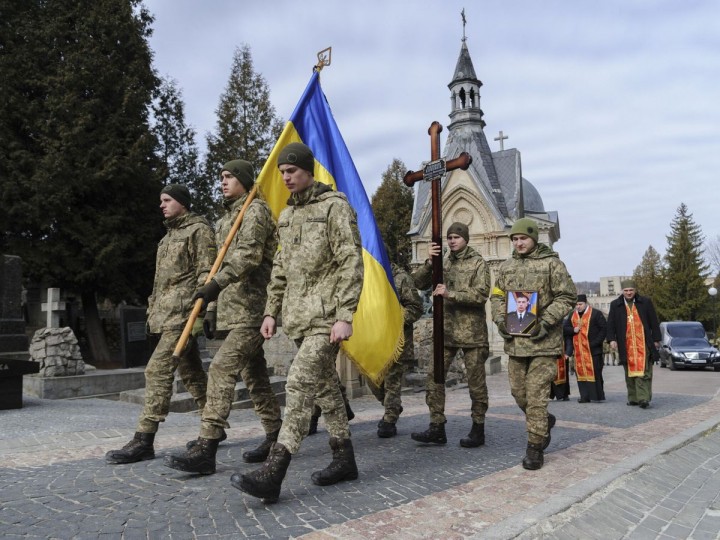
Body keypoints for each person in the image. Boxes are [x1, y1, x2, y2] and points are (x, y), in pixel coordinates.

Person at [231, 142, 364, 503]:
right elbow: (280, 270)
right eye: (282, 172)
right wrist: (271, 311)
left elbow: (350, 262)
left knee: (298, 382)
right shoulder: (286, 216)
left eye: (291, 171)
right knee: (326, 390)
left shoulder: (334, 207)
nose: (286, 177)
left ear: (308, 170)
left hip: (326, 318)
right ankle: (344, 458)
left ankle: (274, 471)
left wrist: (344, 315)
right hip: (297, 318)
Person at [163, 160, 283, 475]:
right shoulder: (225, 219)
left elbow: (249, 256)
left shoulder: (255, 211)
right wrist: (212, 311)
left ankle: (208, 445)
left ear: (245, 180)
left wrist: (214, 287)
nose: (223, 182)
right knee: (254, 376)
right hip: (234, 310)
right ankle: (274, 435)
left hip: (255, 309)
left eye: (229, 177)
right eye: (221, 177)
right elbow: (216, 265)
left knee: (220, 369)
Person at [105, 184, 216, 465]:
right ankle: (212, 427)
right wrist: (151, 313)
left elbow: (207, 273)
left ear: (182, 202)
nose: (161, 205)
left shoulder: (198, 231)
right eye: (161, 200)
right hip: (163, 316)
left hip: (183, 315)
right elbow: (161, 283)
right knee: (192, 373)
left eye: (167, 200)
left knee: (156, 371)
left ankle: (144, 439)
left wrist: (203, 314)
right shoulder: (167, 238)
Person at [490, 217, 575, 470]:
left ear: (533, 238)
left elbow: (567, 296)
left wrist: (546, 322)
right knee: (519, 394)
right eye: (514, 239)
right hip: (516, 345)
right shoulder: (506, 267)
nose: (518, 243)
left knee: (536, 396)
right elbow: (496, 297)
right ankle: (543, 421)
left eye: (523, 238)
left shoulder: (552, 264)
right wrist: (500, 320)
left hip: (543, 343)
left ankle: (535, 447)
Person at [410, 222, 491, 448]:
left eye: (456, 237)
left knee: (476, 384)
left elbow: (481, 295)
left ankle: (478, 427)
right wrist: (429, 261)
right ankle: (437, 426)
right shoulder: (443, 262)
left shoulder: (478, 263)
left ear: (465, 238)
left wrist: (450, 294)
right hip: (445, 332)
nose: (452, 241)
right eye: (450, 237)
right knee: (434, 379)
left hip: (472, 334)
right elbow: (417, 282)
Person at [372, 260, 423, 438]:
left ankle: (389, 420)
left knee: (392, 381)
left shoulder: (401, 278)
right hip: (373, 340)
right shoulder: (367, 277)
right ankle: (392, 406)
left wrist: (395, 318)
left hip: (396, 341)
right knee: (373, 381)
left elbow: (416, 307)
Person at [606, 280, 660, 409]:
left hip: (644, 343)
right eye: (626, 291)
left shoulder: (645, 302)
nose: (629, 293)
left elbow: (654, 321)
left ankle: (643, 398)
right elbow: (610, 324)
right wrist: (611, 339)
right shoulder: (615, 305)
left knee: (644, 371)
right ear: (622, 291)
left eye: (631, 290)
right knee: (629, 372)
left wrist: (656, 339)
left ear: (635, 290)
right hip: (626, 345)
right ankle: (633, 398)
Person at [563, 294, 607, 403]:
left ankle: (596, 396)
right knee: (581, 374)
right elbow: (565, 328)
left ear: (585, 303)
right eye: (576, 305)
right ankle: (584, 396)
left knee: (595, 373)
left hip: (593, 350)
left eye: (580, 304)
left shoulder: (596, 313)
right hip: (579, 352)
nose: (578, 307)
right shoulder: (572, 315)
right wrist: (573, 330)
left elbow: (603, 330)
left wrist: (594, 343)